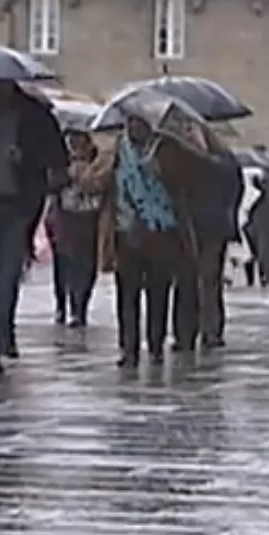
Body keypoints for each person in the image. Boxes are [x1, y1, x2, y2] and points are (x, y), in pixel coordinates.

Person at [0, 79, 67, 375]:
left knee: (4, 278)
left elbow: (58, 161)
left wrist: (28, 159)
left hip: (16, 207)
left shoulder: (34, 114)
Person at [95, 112, 196, 368]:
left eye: (139, 123)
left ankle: (155, 344)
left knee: (158, 291)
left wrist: (163, 173)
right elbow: (100, 183)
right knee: (126, 294)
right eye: (129, 122)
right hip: (125, 230)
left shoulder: (167, 149)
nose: (133, 128)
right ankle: (128, 348)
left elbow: (185, 185)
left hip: (161, 231)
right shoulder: (118, 150)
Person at [172, 136, 242, 352]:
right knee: (207, 281)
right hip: (212, 226)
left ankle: (197, 332)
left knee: (198, 280)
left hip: (200, 226)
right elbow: (236, 191)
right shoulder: (226, 160)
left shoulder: (195, 160)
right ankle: (208, 330)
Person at [45, 130, 104, 329]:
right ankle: (63, 304)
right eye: (71, 140)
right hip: (64, 217)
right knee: (64, 263)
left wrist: (86, 177)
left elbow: (103, 183)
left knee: (87, 264)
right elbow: (50, 184)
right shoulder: (59, 158)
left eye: (79, 140)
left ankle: (80, 307)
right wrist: (66, 176)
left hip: (91, 217)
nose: (75, 144)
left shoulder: (100, 160)